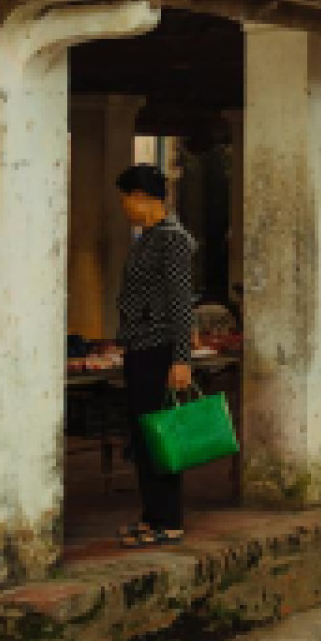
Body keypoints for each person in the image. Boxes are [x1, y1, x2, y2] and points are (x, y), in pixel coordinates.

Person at [115, 164, 198, 548]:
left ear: (142, 198)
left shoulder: (172, 240)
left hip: (160, 349)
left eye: (126, 199)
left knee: (160, 437)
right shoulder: (147, 237)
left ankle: (168, 519)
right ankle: (151, 516)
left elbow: (182, 303)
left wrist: (181, 359)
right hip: (139, 347)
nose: (124, 208)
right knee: (144, 436)